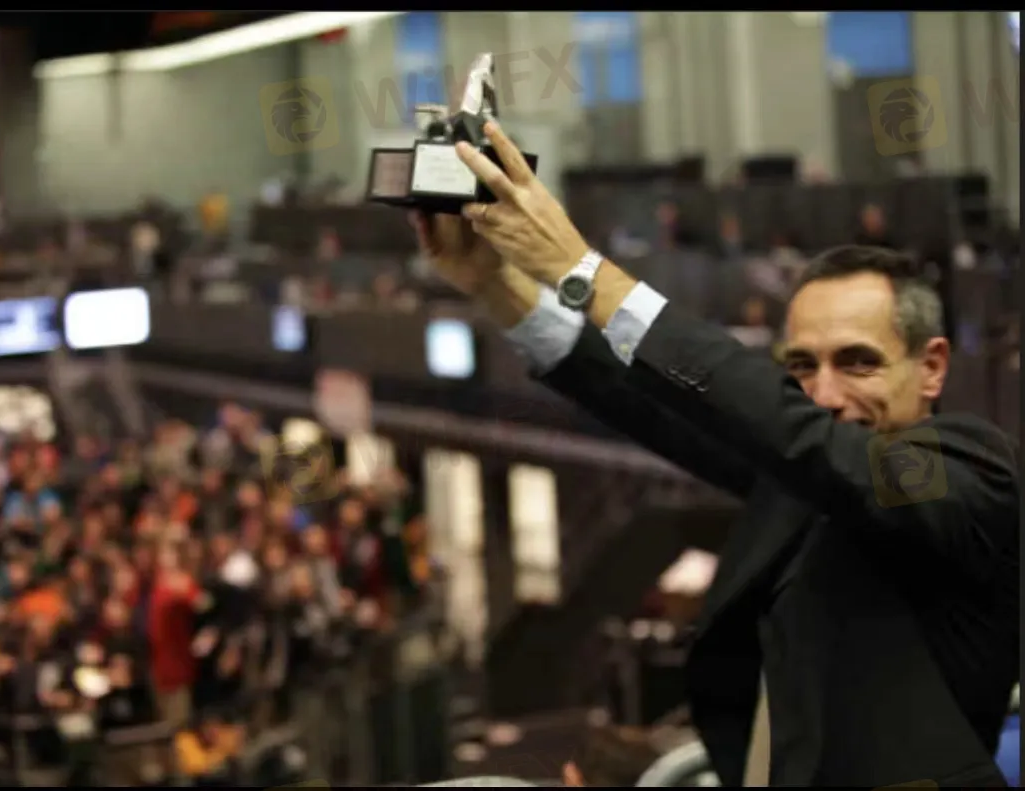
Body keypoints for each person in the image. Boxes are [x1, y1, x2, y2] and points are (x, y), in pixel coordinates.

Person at [410, 121, 1019, 787]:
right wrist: (499, 286)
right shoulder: (805, 482)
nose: (824, 394)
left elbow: (795, 431)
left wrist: (583, 272)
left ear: (932, 367)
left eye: (857, 362)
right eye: (801, 367)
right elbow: (661, 407)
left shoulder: (968, 474)